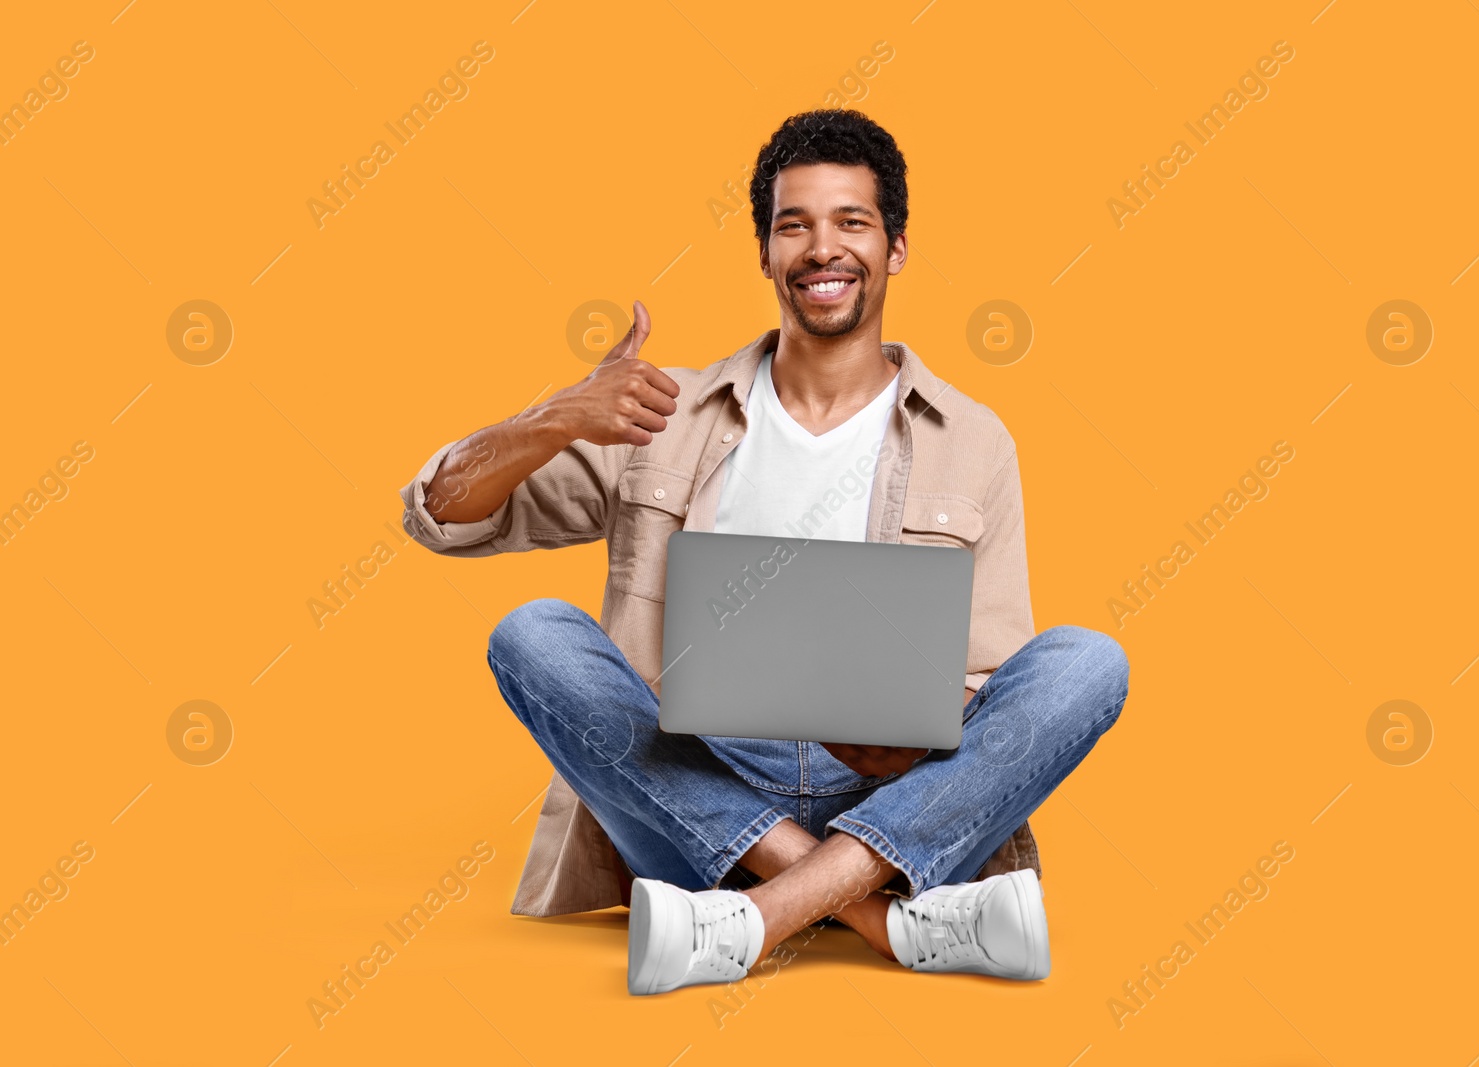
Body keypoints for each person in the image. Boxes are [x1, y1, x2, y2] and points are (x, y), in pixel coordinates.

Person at [398, 109, 1129, 996]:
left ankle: (750, 918)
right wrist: (555, 419)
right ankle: (877, 915)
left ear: (896, 247)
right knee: (531, 634)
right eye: (796, 225)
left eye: (852, 222)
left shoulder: (974, 439)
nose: (825, 249)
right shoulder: (660, 415)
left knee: (1087, 662)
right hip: (693, 780)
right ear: (765, 251)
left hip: (890, 799)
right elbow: (441, 513)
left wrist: (899, 741)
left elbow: (992, 680)